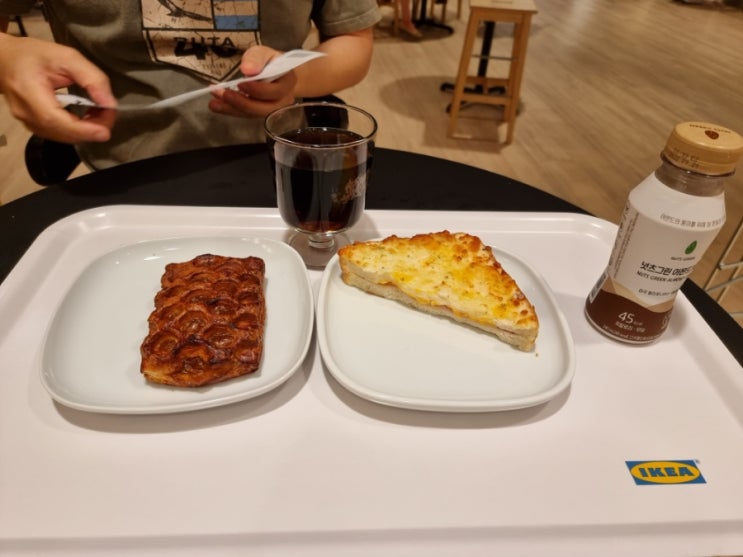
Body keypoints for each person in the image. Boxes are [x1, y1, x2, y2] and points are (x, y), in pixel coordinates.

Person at [0, 1, 380, 170]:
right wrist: (9, 56)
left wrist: (295, 79)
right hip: (122, 173)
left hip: (274, 163)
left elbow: (353, 38)